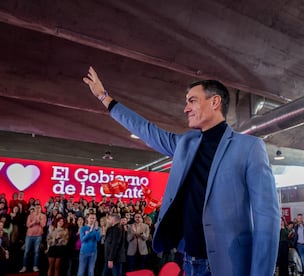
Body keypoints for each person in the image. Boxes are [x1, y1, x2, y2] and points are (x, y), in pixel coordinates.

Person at [83, 66, 280, 276]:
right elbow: (146, 130)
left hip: (230, 264)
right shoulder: (186, 143)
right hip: (190, 261)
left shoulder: (249, 147)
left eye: (192, 100)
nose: (186, 108)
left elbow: (267, 216)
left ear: (215, 102)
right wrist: (105, 98)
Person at [20, 203, 47, 273]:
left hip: (38, 236)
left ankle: (35, 266)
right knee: (26, 251)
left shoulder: (43, 216)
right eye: (36, 208)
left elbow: (43, 225)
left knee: (36, 252)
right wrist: (34, 222)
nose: (37, 209)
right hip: (29, 235)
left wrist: (39, 220)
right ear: (34, 209)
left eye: (39, 208)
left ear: (41, 209)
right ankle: (24, 266)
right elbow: (27, 225)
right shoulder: (30, 215)